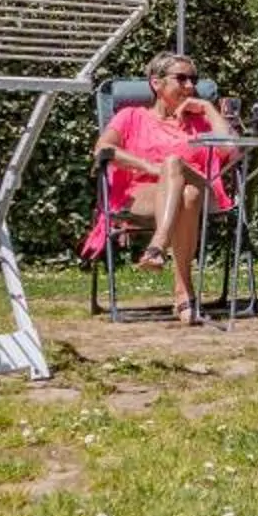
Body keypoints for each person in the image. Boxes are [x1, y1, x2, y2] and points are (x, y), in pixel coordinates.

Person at [85, 51, 232, 324]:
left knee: (176, 165)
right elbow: (102, 149)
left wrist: (209, 109)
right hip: (149, 192)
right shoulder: (130, 116)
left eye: (194, 80)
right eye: (181, 79)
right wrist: (152, 168)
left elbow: (231, 152)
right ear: (156, 83)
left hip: (203, 187)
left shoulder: (200, 120)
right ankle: (183, 293)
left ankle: (157, 246)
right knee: (186, 192)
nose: (190, 86)